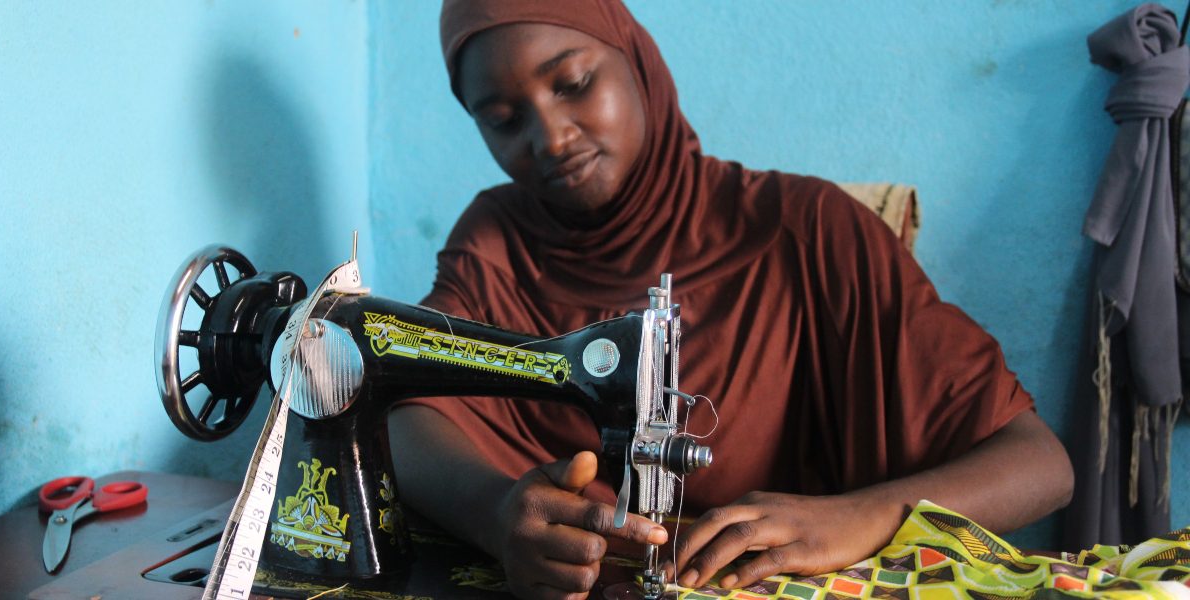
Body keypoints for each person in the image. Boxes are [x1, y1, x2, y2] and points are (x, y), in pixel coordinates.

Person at [386, 1, 1075, 599]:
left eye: (574, 83)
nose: (551, 137)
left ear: (637, 59)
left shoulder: (813, 231)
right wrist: (498, 513)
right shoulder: (500, 241)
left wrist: (860, 517)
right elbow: (411, 415)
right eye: (504, 120)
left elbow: (1039, 466)